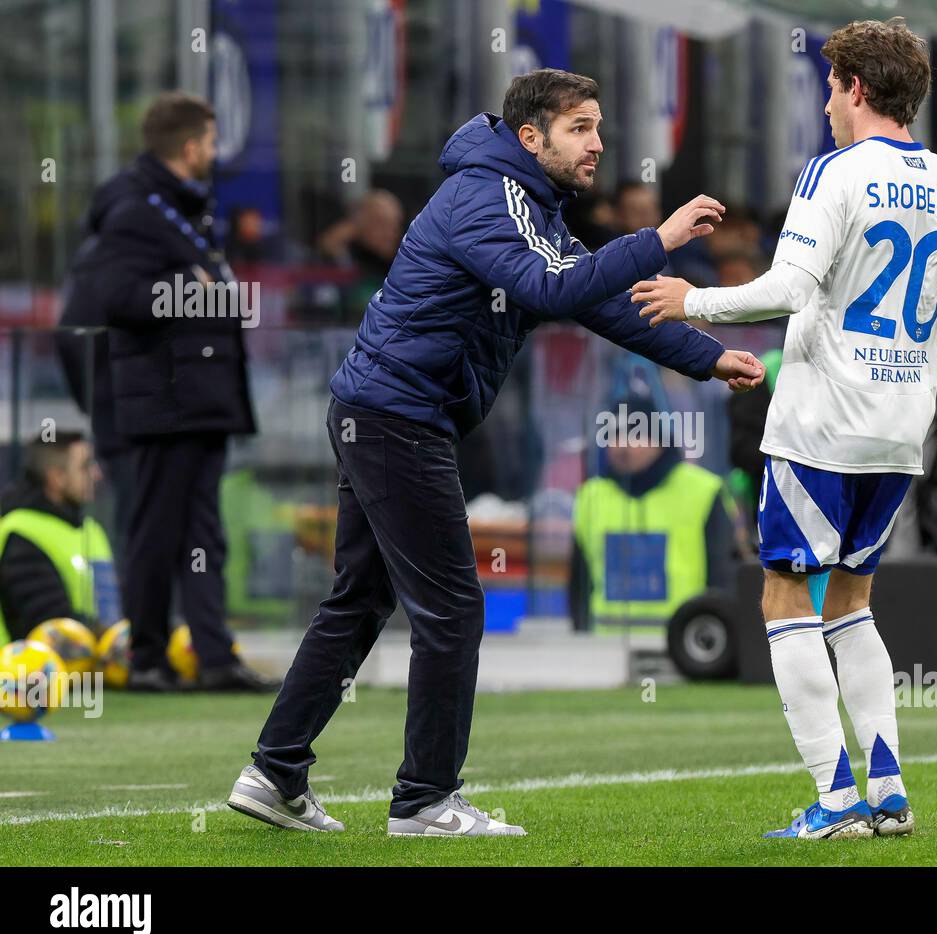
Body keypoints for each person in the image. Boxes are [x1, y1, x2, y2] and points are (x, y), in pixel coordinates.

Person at [228, 68, 764, 838]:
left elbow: (597, 299)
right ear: (530, 137)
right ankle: (424, 799)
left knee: (359, 600)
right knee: (452, 608)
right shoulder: (489, 195)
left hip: (384, 412)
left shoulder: (529, 203)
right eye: (581, 128)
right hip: (395, 417)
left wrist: (705, 356)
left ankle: (276, 771)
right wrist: (658, 240)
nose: (599, 145)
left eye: (600, 127)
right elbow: (547, 289)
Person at [632, 18, 937, 839]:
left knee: (784, 593)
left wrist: (688, 301)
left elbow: (790, 288)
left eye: (831, 87)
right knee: (853, 600)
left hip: (821, 423)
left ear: (859, 89)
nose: (826, 104)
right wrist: (916, 353)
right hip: (899, 429)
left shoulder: (837, 171)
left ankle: (835, 799)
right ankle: (889, 789)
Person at [57, 91, 275, 693]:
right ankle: (147, 655)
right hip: (164, 399)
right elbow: (114, 298)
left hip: (202, 398)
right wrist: (191, 286)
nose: (213, 150)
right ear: (188, 146)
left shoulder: (184, 207)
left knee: (205, 534)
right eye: (208, 140)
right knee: (155, 531)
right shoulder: (132, 209)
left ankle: (213, 656)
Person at [569, 394, 738, 635]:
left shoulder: (703, 491)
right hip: (604, 650)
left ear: (660, 441)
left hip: (685, 647)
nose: (623, 445)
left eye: (636, 435)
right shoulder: (591, 496)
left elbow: (723, 577)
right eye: (614, 436)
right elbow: (579, 583)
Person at [0, 433, 117, 644]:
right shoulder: (22, 533)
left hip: (97, 670)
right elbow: (47, 626)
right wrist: (110, 637)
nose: (97, 474)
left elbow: (112, 609)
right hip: (37, 674)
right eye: (85, 466)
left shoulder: (90, 530)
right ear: (56, 477)